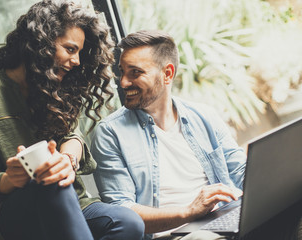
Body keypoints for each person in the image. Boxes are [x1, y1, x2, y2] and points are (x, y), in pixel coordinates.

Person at [0, 1, 144, 240]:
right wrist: (12, 178)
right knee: (48, 178)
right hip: (13, 214)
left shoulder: (59, 85)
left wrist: (67, 160)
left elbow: (73, 136)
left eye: (79, 52)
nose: (77, 61)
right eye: (70, 49)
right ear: (41, 43)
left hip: (72, 200)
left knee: (129, 223)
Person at [90, 30, 246, 240]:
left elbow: (241, 172)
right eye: (122, 72)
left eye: (135, 72)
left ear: (167, 74)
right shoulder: (110, 133)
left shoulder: (204, 116)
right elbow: (122, 210)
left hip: (223, 223)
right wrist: (189, 212)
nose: (124, 82)